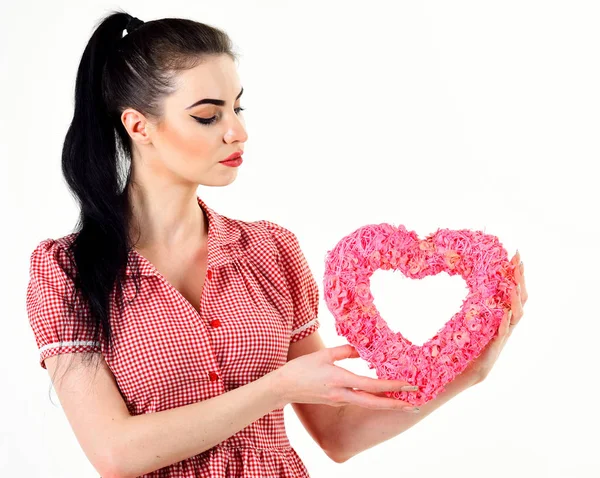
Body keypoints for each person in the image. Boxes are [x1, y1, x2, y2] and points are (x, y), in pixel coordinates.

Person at [25, 10, 528, 478]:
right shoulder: (65, 269)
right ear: (139, 126)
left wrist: (469, 373)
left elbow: (337, 434)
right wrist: (278, 388)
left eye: (238, 108)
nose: (238, 131)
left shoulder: (270, 250)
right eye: (208, 115)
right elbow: (115, 453)